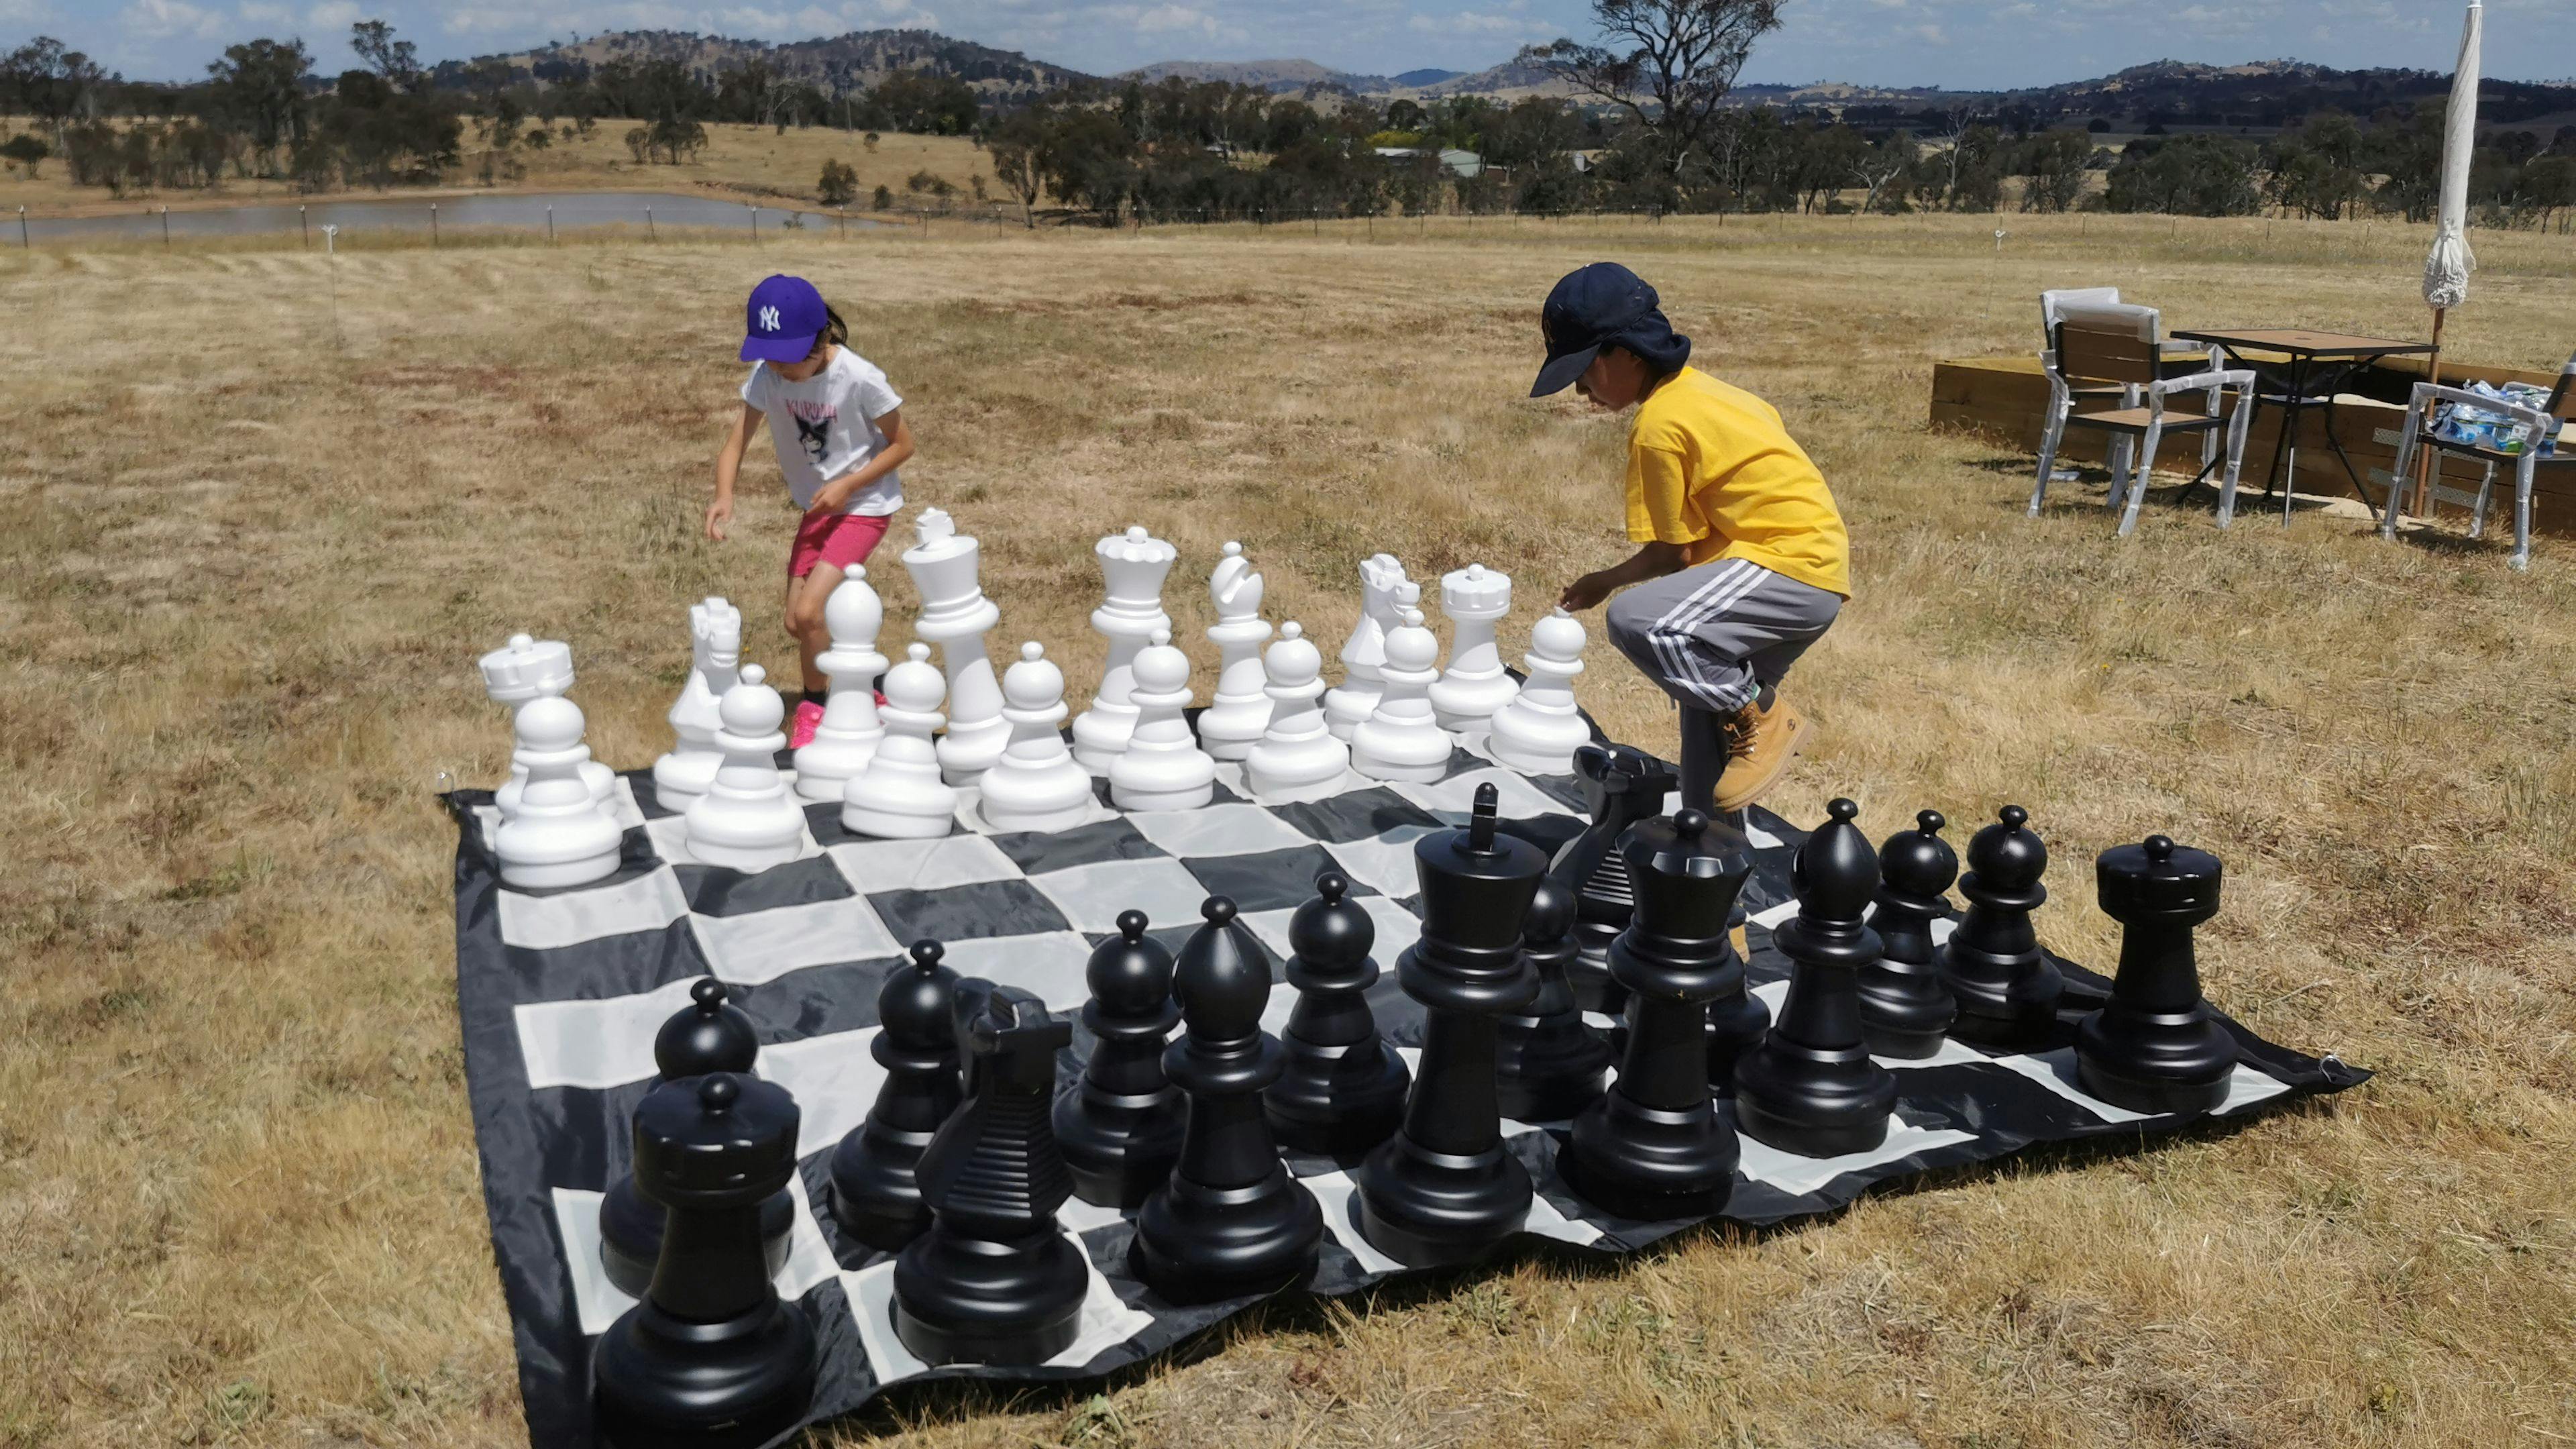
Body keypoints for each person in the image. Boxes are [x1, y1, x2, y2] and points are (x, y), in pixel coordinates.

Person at [1536, 262, 1850, 816]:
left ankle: (1768, 714)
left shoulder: (1658, 426)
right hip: (1810, 573)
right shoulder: (1710, 392)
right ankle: (1710, 866)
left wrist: (1604, 583)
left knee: (1640, 622)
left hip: (1785, 566)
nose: (1581, 389)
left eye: (1585, 369)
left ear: (1628, 352)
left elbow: (1673, 553)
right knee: (1706, 716)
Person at [706, 274, 916, 747]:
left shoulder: (860, 378)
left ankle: (815, 709)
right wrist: (724, 495)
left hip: (865, 504)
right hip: (818, 509)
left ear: (820, 342)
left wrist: (849, 485)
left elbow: (905, 445)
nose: (776, 369)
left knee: (811, 610)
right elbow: (736, 441)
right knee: (797, 623)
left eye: (785, 359)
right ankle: (865, 687)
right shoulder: (768, 376)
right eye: (769, 358)